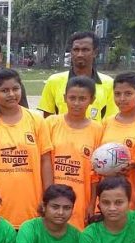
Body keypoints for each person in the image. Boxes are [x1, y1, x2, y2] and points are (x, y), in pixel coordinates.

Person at [0, 68, 53, 229]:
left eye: (15, 89)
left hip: (30, 210)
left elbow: (45, 161)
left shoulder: (36, 120)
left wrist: (48, 198)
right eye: (4, 90)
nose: (11, 94)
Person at [46, 76, 104, 229]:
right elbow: (42, 163)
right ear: (65, 98)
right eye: (72, 98)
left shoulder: (98, 130)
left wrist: (92, 204)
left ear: (92, 100)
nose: (76, 103)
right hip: (52, 200)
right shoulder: (51, 123)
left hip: (80, 201)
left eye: (82, 98)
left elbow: (96, 174)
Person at [38, 32, 117, 121]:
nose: (80, 54)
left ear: (95, 52)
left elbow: (111, 120)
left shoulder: (109, 84)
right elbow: (48, 120)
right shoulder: (54, 81)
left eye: (85, 50)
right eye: (76, 49)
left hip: (96, 134)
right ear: (71, 52)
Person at [102, 72, 135, 199]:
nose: (122, 99)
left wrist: (134, 165)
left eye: (128, 94)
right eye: (117, 94)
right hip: (108, 194)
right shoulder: (106, 122)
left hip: (134, 194)